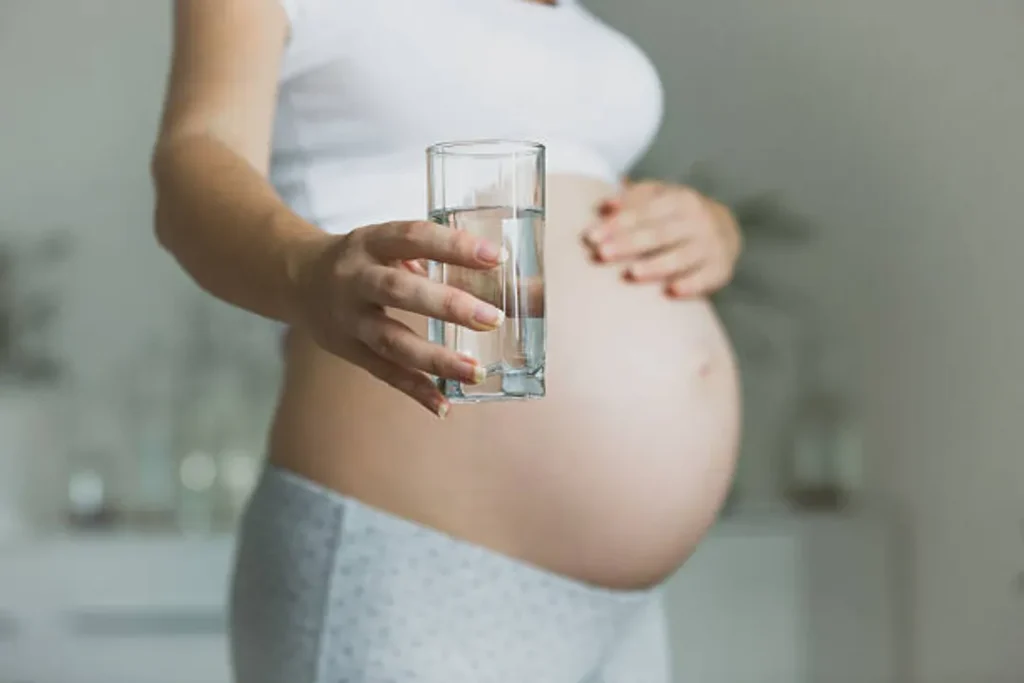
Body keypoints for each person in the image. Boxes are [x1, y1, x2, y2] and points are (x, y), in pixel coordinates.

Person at [151, 0, 742, 680]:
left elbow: (576, 180)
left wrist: (706, 228)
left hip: (624, 612)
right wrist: (306, 267)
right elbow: (195, 159)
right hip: (410, 558)